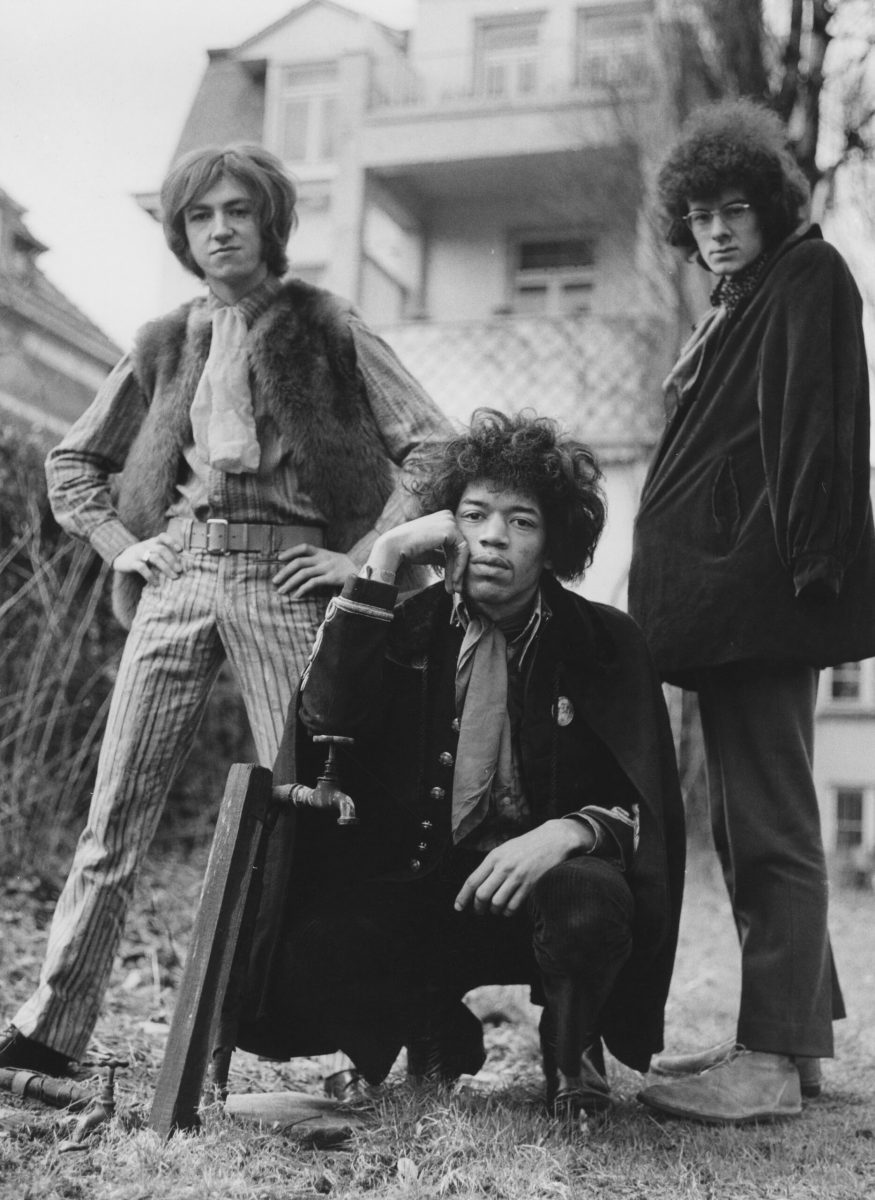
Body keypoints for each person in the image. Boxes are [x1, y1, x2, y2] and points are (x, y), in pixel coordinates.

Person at [0, 143, 452, 1076]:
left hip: (288, 584)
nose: (219, 230)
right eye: (200, 216)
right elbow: (72, 462)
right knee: (115, 811)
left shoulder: (328, 324)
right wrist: (124, 545)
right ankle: (51, 1029)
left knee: (317, 813)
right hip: (180, 578)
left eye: (238, 210)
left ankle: (342, 1028)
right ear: (181, 233)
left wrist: (361, 556)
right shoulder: (164, 340)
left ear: (270, 221)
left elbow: (434, 448)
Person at [233, 409, 685, 1118]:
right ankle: (433, 1029)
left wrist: (566, 832)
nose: (494, 536)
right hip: (424, 889)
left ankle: (571, 1051)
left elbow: (643, 802)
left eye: (521, 521)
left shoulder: (605, 642)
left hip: (549, 894)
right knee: (317, 939)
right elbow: (326, 718)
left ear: (553, 542)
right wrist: (383, 559)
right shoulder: (403, 625)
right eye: (474, 515)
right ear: (447, 530)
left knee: (587, 901)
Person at [629, 100, 875, 1123]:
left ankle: (769, 1061)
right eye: (699, 216)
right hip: (723, 603)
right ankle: (793, 1041)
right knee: (745, 820)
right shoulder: (735, 303)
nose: (716, 230)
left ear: (768, 206)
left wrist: (807, 565)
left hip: (761, 597)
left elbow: (817, 424)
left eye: (734, 209)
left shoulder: (804, 275)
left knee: (768, 821)